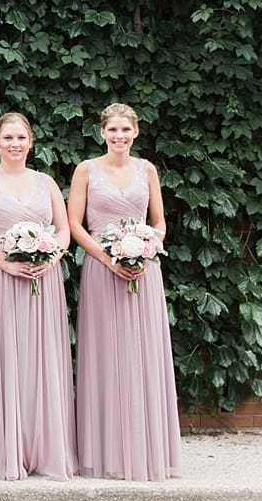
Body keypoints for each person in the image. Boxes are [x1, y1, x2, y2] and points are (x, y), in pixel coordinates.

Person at [69, 103, 180, 480]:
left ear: (136, 133)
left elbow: (160, 222)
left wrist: (146, 247)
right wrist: (108, 257)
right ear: (102, 133)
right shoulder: (86, 170)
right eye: (112, 130)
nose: (119, 137)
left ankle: (145, 449)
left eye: (125, 131)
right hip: (102, 270)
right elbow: (74, 225)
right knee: (106, 352)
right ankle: (106, 450)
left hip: (144, 272)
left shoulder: (147, 170)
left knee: (141, 351)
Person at [0, 113, 76, 480]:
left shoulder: (46, 183)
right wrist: (4, 263)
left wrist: (50, 256)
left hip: (41, 281)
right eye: (8, 137)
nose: (15, 144)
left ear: (31, 142)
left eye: (21, 137)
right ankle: (3, 449)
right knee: (2, 357)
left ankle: (42, 448)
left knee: (39, 359)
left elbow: (63, 230)